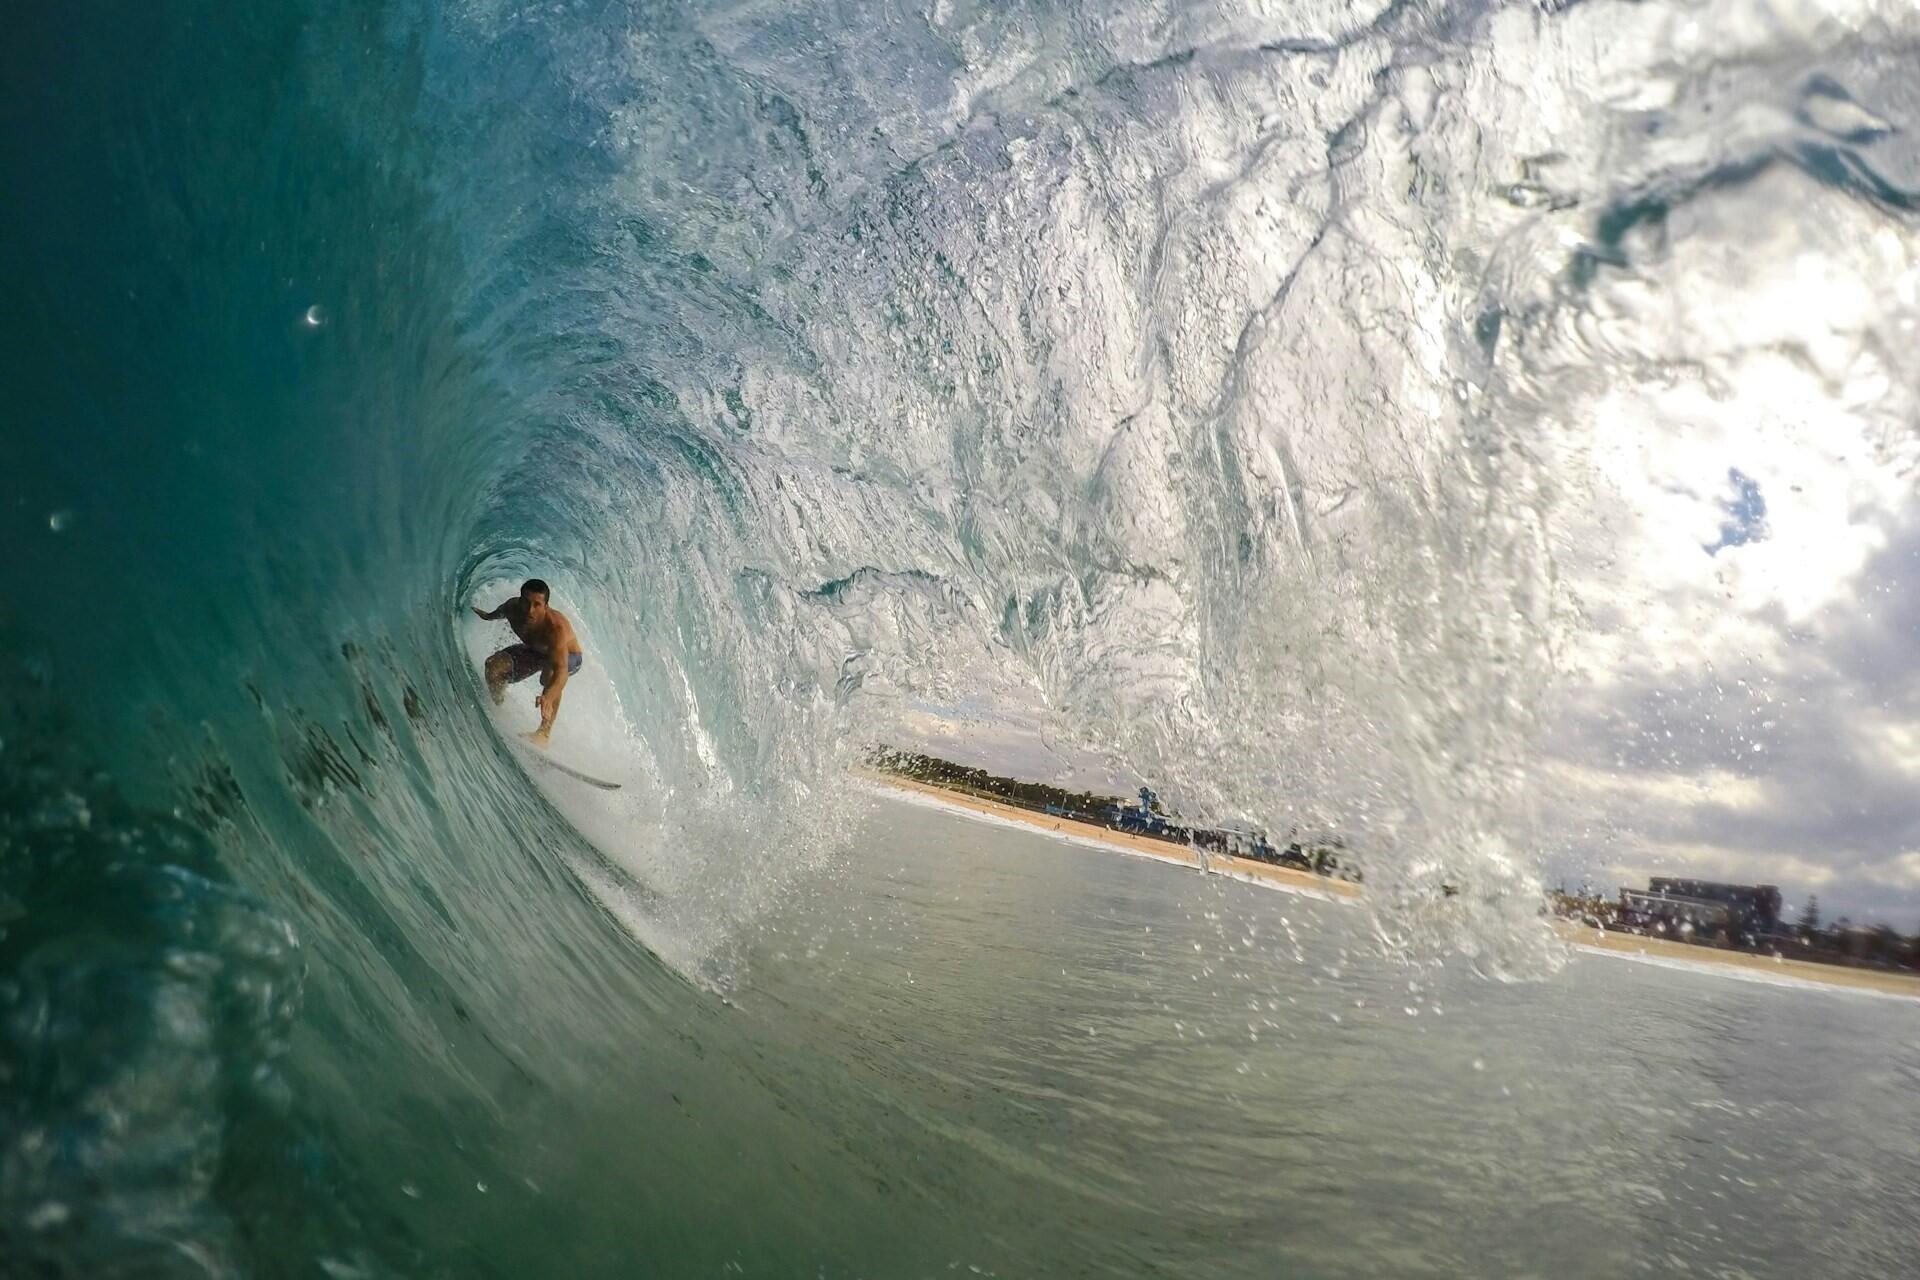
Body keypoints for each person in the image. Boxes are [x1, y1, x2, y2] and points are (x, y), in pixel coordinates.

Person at [472, 579, 584, 748]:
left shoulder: (555, 629)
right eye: (526, 602)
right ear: (520, 600)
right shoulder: (511, 608)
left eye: (537, 605)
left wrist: (549, 696)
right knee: (493, 666)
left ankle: (544, 733)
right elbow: (497, 614)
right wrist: (486, 616)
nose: (530, 610)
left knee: (549, 675)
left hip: (570, 657)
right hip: (537, 651)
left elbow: (561, 671)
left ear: (546, 606)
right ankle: (499, 706)